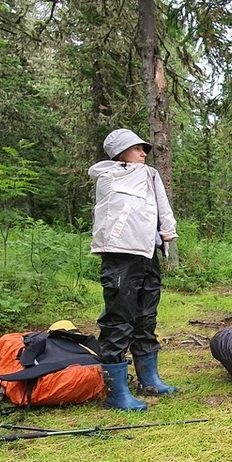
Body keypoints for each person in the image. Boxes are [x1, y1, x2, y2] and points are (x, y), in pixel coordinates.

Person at [90, 128, 179, 411]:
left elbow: (160, 206)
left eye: (144, 149)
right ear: (120, 152)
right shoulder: (108, 176)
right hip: (120, 254)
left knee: (146, 316)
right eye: (137, 148)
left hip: (147, 253)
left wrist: (167, 232)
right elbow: (118, 208)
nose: (143, 153)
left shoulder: (149, 175)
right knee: (118, 320)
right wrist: (135, 171)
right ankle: (116, 393)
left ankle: (148, 378)